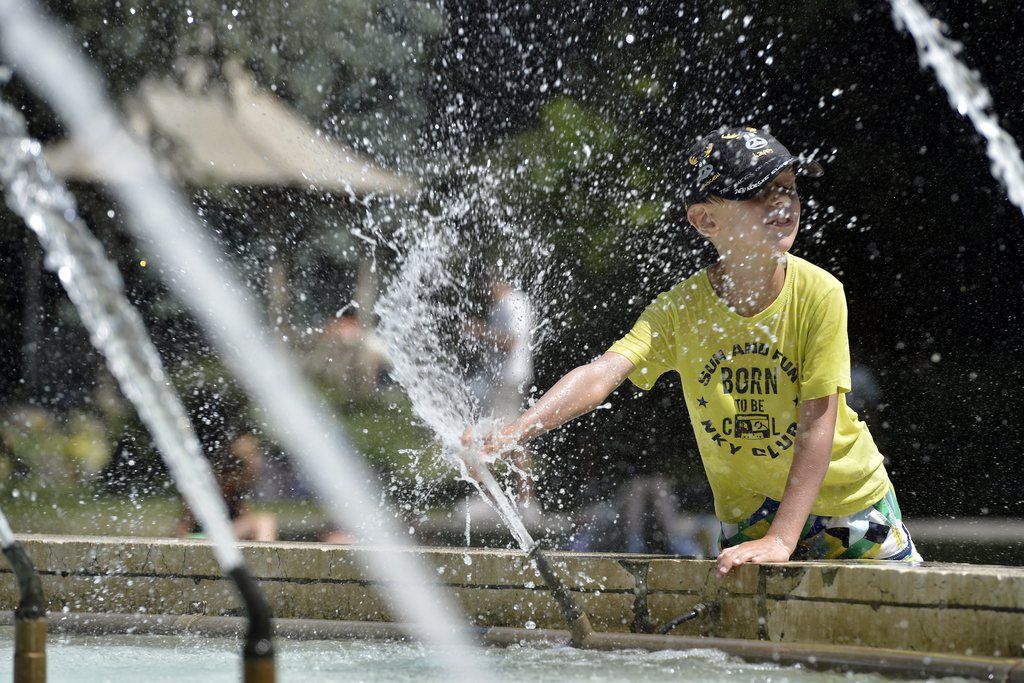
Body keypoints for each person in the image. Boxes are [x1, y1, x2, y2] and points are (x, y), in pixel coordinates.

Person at [461, 125, 920, 575]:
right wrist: (513, 432)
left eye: (789, 189)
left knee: (903, 627)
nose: (782, 203)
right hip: (750, 516)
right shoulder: (681, 310)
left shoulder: (819, 293)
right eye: (759, 191)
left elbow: (817, 420)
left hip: (850, 503)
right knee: (756, 649)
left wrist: (783, 539)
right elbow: (603, 374)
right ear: (705, 220)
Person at [465, 277, 536, 506]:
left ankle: (498, 499)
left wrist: (480, 330)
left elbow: (512, 341)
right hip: (505, 379)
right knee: (507, 435)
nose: (485, 289)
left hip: (509, 379)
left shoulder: (512, 303)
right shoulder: (504, 305)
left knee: (508, 435)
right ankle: (513, 498)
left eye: (487, 283)